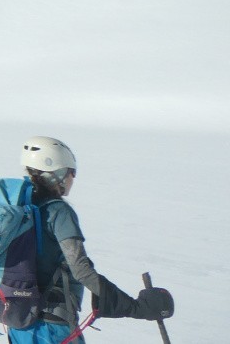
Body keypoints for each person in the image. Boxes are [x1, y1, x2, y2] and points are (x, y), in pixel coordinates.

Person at [11, 136, 174, 343]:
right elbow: (81, 270)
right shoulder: (59, 212)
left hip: (20, 320)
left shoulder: (21, 208)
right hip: (52, 326)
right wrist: (135, 307)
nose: (73, 178)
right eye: (72, 172)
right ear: (57, 174)